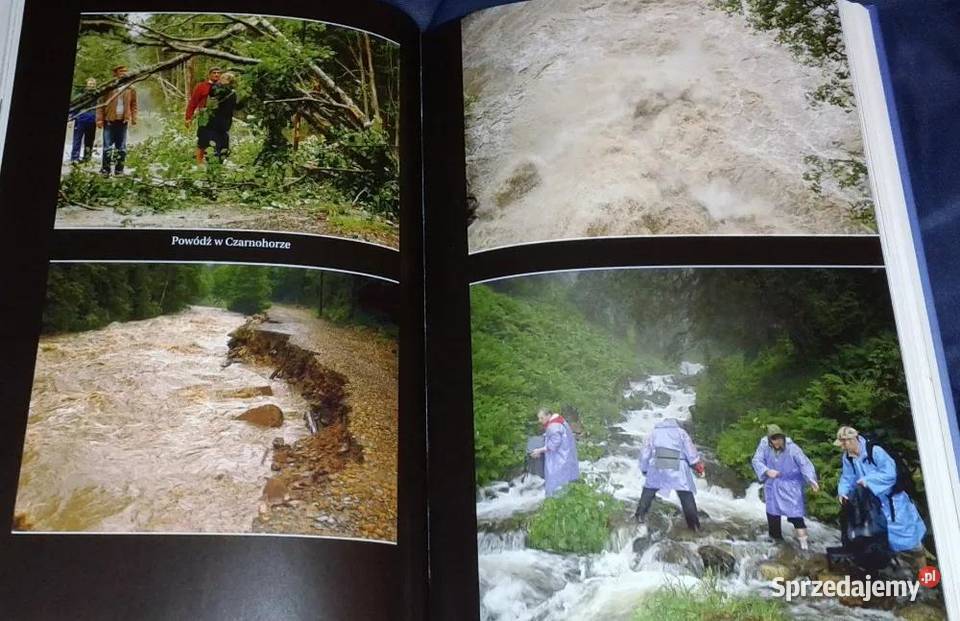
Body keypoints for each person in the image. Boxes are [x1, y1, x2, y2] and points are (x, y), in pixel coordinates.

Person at [835, 426, 927, 556]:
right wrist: (843, 492)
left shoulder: (875, 451)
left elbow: (890, 473)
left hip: (894, 502)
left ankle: (923, 568)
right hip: (873, 505)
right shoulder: (848, 457)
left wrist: (868, 481)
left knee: (910, 540)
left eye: (844, 443)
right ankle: (897, 567)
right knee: (882, 539)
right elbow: (847, 477)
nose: (842, 447)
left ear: (852, 439)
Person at [751, 424, 819, 550]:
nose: (776, 442)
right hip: (772, 483)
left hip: (790, 485)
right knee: (772, 513)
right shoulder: (764, 445)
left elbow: (805, 464)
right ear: (769, 439)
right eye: (773, 439)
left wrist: (811, 480)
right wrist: (766, 471)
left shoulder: (793, 449)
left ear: (783, 437)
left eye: (779, 439)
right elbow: (756, 460)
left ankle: (804, 545)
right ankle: (775, 541)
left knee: (796, 514)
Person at [635, 417, 704, 530]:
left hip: (659, 463)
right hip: (679, 464)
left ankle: (639, 516)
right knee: (686, 495)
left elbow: (645, 454)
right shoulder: (681, 433)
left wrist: (644, 469)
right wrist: (696, 464)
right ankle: (694, 526)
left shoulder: (653, 433)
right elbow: (690, 451)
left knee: (649, 490)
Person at [96, 65, 138, 175]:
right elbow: (100, 104)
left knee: (122, 148)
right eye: (121, 71)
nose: (124, 73)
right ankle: (105, 169)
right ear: (115, 73)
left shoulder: (130, 88)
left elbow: (134, 105)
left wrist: (134, 118)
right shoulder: (109, 87)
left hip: (123, 121)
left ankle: (119, 170)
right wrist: (99, 119)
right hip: (109, 120)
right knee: (107, 147)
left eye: (125, 71)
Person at [529, 409, 580, 497]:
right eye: (539, 418)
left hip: (559, 457)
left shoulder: (553, 426)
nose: (540, 421)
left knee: (556, 475)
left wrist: (539, 450)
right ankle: (566, 494)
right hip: (566, 452)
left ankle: (556, 498)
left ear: (548, 415)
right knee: (566, 474)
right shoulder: (559, 420)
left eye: (542, 418)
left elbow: (553, 445)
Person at [185, 67, 222, 163]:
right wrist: (188, 117)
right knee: (202, 141)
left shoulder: (222, 87)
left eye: (218, 73)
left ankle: (214, 163)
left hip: (218, 118)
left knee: (217, 141)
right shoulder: (201, 86)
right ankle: (199, 163)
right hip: (204, 117)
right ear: (209, 74)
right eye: (214, 73)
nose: (216, 75)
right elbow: (193, 102)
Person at [204, 72, 238, 161]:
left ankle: (215, 160)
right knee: (222, 142)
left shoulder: (221, 90)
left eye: (223, 78)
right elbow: (236, 107)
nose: (220, 79)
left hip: (216, 121)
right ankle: (221, 158)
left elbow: (211, 93)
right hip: (226, 122)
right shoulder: (233, 92)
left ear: (228, 81)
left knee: (215, 142)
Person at [69, 77, 97, 163]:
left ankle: (87, 158)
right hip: (80, 120)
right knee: (77, 140)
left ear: (95, 85)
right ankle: (74, 158)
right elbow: (75, 107)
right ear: (86, 85)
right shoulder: (81, 95)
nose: (91, 86)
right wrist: (71, 118)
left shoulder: (97, 95)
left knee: (89, 141)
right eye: (89, 84)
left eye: (93, 84)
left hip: (92, 121)